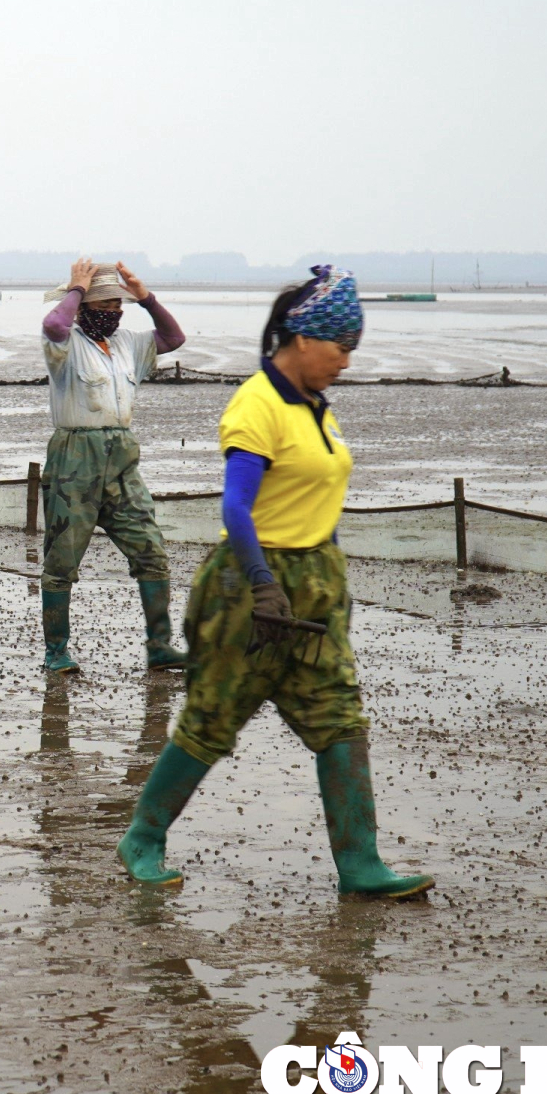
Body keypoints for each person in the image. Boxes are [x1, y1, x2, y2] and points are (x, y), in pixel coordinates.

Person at [117, 266, 433, 900]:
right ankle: (143, 838)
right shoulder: (257, 403)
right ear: (303, 338)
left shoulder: (317, 407)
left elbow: (319, 498)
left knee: (340, 718)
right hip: (248, 588)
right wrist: (264, 584)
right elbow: (237, 507)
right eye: (341, 347)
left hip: (314, 586)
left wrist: (331, 579)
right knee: (212, 718)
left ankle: (361, 864)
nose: (346, 360)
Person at [38, 257, 187, 674]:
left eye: (116, 307)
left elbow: (174, 338)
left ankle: (159, 645)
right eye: (103, 307)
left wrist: (147, 299)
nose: (112, 313)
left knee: (150, 548)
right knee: (62, 558)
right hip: (75, 455)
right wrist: (77, 289)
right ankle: (56, 651)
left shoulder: (128, 344)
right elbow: (53, 325)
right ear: (84, 307)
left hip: (121, 456)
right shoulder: (64, 344)